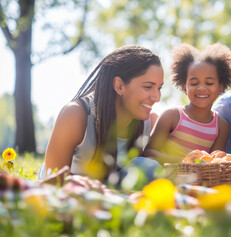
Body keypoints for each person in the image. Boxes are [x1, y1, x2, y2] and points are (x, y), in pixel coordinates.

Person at [37, 45, 164, 184]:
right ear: (119, 86)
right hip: (63, 198)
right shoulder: (75, 115)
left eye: (159, 88)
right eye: (148, 87)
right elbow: (53, 184)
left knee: (149, 169)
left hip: (108, 199)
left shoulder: (150, 122)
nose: (157, 97)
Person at [143, 43, 231, 164]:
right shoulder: (171, 116)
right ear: (184, 87)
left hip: (198, 182)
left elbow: (215, 162)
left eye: (209, 83)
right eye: (194, 83)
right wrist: (185, 161)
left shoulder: (221, 126)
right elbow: (149, 153)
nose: (201, 88)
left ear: (220, 88)